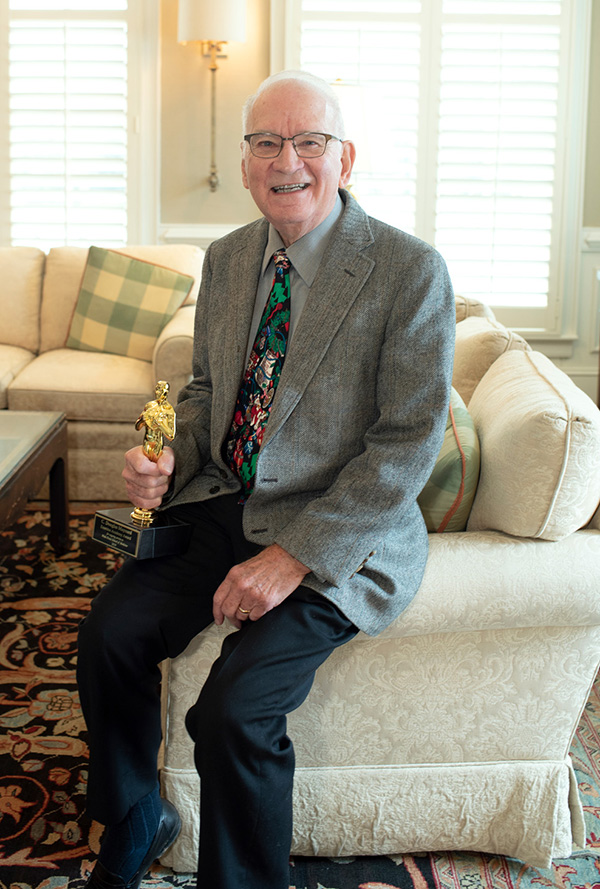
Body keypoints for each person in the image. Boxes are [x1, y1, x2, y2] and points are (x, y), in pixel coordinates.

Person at [77, 70, 455, 889]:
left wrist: (293, 558)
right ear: (246, 161)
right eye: (266, 142)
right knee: (108, 632)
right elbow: (211, 389)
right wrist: (168, 455)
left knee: (231, 712)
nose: (288, 159)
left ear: (344, 157)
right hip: (225, 501)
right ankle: (138, 809)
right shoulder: (228, 257)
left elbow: (405, 444)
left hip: (340, 528)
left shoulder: (408, 271)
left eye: (308, 141)